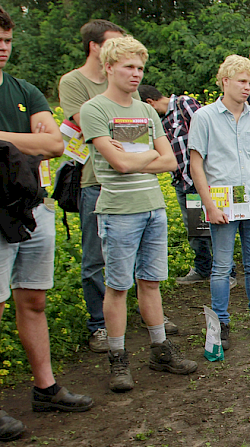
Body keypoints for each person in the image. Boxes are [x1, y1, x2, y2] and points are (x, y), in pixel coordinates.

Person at [79, 36, 198, 392]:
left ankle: (160, 350)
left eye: (140, 68)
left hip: (152, 209)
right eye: (129, 67)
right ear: (110, 67)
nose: (135, 74)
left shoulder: (147, 112)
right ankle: (118, 359)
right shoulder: (95, 110)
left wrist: (137, 159)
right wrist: (145, 156)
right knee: (117, 286)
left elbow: (170, 160)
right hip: (118, 212)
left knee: (151, 282)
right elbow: (116, 164)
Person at [0, 7, 92, 441]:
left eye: (8, 40)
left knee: (33, 300)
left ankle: (45, 387)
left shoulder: (24, 90)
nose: (3, 48)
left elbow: (54, 142)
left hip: (33, 208)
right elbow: (38, 140)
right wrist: (27, 141)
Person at [189, 54, 250, 350]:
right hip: (223, 202)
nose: (247, 87)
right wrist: (209, 205)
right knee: (222, 266)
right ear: (225, 81)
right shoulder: (204, 117)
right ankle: (221, 324)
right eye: (242, 81)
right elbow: (196, 163)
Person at [57, 19, 127, 353]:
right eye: (115, 45)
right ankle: (99, 325)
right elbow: (85, 127)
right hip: (93, 181)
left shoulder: (126, 78)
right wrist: (112, 126)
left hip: (129, 180)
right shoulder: (72, 82)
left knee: (136, 252)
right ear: (95, 47)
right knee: (94, 257)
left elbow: (135, 131)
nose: (123, 53)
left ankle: (137, 315)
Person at [139, 84, 237, 289]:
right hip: (183, 181)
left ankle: (227, 272)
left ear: (149, 102)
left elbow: (210, 132)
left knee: (216, 226)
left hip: (203, 179)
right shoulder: (159, 121)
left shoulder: (184, 104)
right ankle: (203, 268)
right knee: (196, 230)